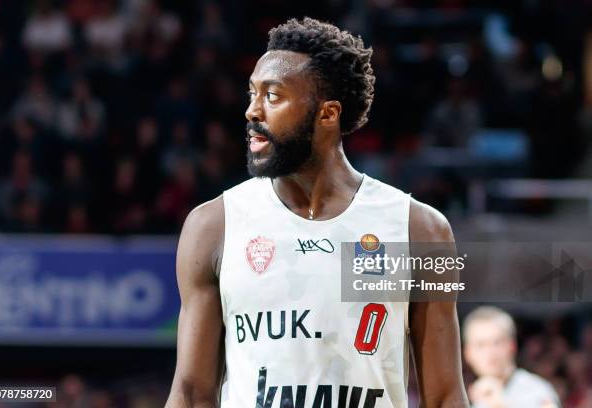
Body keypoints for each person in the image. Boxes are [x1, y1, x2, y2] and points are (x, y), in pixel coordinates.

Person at [166, 17, 468, 407]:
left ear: (328, 114)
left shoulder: (421, 230)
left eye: (273, 96)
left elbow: (445, 397)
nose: (252, 111)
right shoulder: (213, 225)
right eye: (252, 93)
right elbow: (190, 394)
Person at [463, 306, 561, 408]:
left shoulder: (537, 392)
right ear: (467, 353)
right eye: (481, 345)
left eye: (497, 343)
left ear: (512, 346)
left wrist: (499, 405)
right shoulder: (467, 398)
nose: (490, 352)